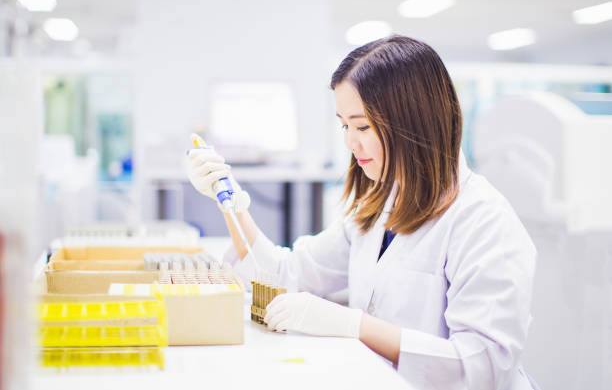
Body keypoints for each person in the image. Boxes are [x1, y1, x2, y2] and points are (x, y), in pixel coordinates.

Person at [187, 35, 537, 389]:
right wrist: (228, 198)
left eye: (363, 126)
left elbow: (482, 368)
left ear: (414, 122)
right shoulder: (379, 207)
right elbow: (283, 273)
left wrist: (353, 326)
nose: (350, 143)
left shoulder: (484, 221)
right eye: (344, 125)